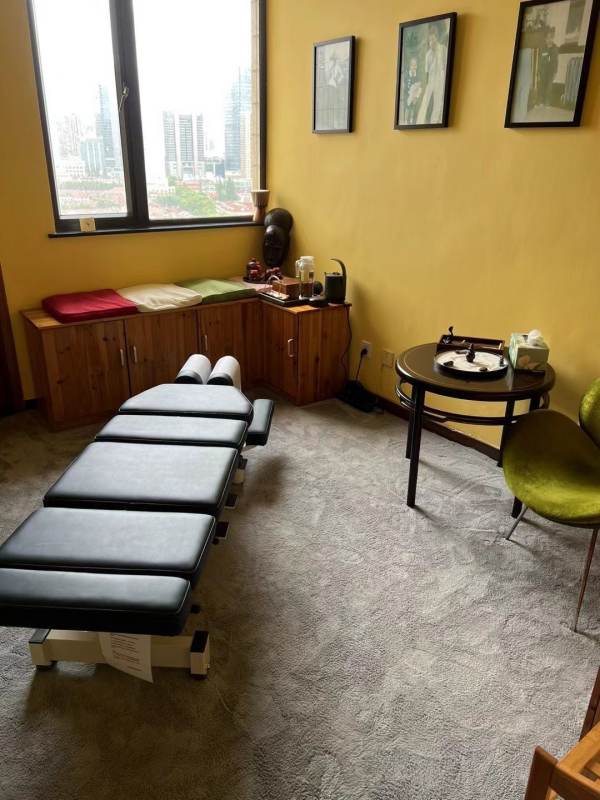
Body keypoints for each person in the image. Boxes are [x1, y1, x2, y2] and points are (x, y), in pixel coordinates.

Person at [416, 26, 448, 124]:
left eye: (433, 40)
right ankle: (420, 121)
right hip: (431, 79)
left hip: (440, 79)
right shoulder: (428, 55)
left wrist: (444, 79)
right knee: (425, 100)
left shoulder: (443, 49)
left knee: (438, 102)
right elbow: (427, 71)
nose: (432, 43)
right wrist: (427, 83)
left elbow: (445, 65)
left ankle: (434, 121)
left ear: (436, 38)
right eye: (430, 40)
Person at [538, 28, 558, 107]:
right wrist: (539, 70)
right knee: (542, 85)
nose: (549, 40)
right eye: (547, 38)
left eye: (551, 37)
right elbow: (540, 60)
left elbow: (556, 61)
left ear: (553, 38)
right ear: (545, 39)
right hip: (543, 70)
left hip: (551, 71)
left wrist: (555, 72)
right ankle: (540, 101)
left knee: (549, 87)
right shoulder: (543, 48)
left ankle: (547, 102)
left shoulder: (555, 48)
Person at [403, 57, 422, 125]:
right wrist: (407, 95)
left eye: (415, 65)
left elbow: (419, 87)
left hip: (414, 94)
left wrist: (416, 96)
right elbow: (405, 86)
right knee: (407, 107)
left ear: (417, 66)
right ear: (410, 66)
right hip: (407, 94)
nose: (414, 67)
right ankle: (406, 121)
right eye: (412, 65)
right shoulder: (407, 74)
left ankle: (412, 121)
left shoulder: (418, 75)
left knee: (413, 108)